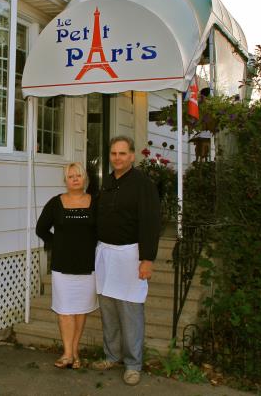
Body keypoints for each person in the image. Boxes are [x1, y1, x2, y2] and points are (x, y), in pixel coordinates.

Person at [92, 136, 161, 385]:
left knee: (130, 311)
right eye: (113, 154)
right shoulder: (107, 183)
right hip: (105, 255)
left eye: (122, 153)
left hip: (130, 256)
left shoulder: (143, 185)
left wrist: (147, 259)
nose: (117, 158)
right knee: (108, 310)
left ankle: (133, 364)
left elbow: (151, 223)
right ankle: (111, 355)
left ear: (132, 156)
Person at [36, 162, 99, 369]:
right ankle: (67, 353)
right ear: (65, 180)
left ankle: (74, 351)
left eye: (78, 175)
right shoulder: (56, 203)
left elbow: (103, 230)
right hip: (62, 266)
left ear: (85, 179)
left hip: (87, 265)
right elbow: (41, 228)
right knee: (65, 310)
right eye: (70, 176)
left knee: (81, 310)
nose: (74, 179)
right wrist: (57, 244)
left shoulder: (95, 202)